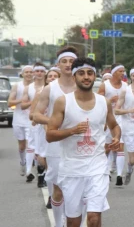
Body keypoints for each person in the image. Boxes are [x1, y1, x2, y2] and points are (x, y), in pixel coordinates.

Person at [47, 57, 121, 227]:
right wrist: (72, 131)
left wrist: (116, 137)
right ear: (74, 77)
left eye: (90, 73)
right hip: (72, 168)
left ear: (95, 76)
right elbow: (50, 135)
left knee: (94, 217)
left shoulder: (104, 102)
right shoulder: (63, 102)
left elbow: (114, 126)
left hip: (97, 166)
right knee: (74, 221)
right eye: (81, 73)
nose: (86, 77)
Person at [33, 46, 78, 227]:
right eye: (64, 61)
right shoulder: (50, 89)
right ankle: (59, 223)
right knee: (57, 190)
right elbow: (36, 115)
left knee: (76, 188)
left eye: (71, 61)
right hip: (56, 144)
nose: (68, 65)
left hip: (78, 142)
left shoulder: (84, 85)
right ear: (58, 65)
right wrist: (54, 122)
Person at [30, 68, 60, 190]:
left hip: (60, 130)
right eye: (50, 76)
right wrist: (43, 121)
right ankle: (48, 182)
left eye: (55, 76)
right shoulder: (40, 93)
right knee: (45, 162)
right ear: (46, 79)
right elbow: (32, 115)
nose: (52, 78)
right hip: (43, 131)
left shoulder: (65, 93)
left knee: (56, 163)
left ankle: (54, 194)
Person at [98, 63, 128, 186]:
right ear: (114, 72)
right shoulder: (105, 85)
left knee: (120, 146)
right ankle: (105, 171)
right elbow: (98, 102)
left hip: (121, 118)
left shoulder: (126, 86)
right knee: (107, 147)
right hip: (108, 118)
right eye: (120, 71)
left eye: (123, 71)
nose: (123, 73)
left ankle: (119, 175)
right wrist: (110, 101)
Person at [20, 62, 47, 183]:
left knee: (42, 148)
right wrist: (35, 101)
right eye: (37, 71)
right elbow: (23, 105)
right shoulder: (28, 88)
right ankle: (28, 171)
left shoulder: (49, 87)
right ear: (34, 73)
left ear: (44, 72)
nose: (39, 73)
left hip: (45, 121)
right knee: (31, 146)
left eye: (42, 71)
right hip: (31, 121)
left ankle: (42, 172)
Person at [8, 65, 34, 176]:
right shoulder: (17, 86)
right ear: (22, 74)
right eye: (26, 72)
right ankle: (23, 162)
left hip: (31, 120)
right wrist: (21, 100)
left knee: (30, 145)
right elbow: (10, 102)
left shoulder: (35, 87)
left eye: (30, 72)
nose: (28, 74)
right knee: (22, 146)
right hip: (19, 119)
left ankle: (29, 170)